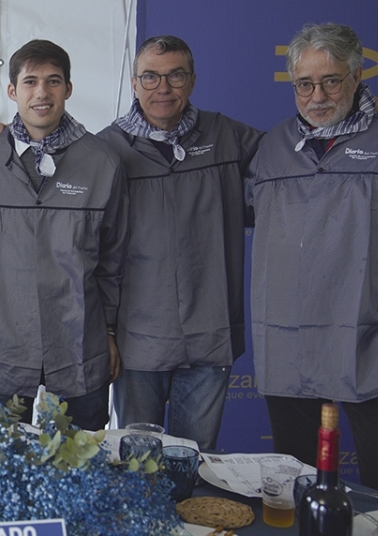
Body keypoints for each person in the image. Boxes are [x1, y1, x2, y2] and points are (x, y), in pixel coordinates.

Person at [247, 23, 378, 504]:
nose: (317, 95)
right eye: (305, 83)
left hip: (376, 344)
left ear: (359, 75)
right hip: (290, 352)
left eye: (332, 80)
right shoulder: (272, 147)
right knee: (298, 494)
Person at [96, 36, 261, 451]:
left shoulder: (227, 136)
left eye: (175, 76)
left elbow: (300, 160)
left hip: (209, 335)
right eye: (150, 77)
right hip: (137, 339)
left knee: (194, 462)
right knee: (135, 465)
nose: (162, 88)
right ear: (134, 84)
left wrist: (365, 117)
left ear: (192, 81)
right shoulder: (105, 150)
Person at [0, 39, 127, 430]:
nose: (42, 93)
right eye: (30, 81)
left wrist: (110, 331)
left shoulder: (102, 162)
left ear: (68, 89)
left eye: (53, 82)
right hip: (1, 348)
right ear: (12, 91)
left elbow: (114, 258)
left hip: (78, 347)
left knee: (78, 471)